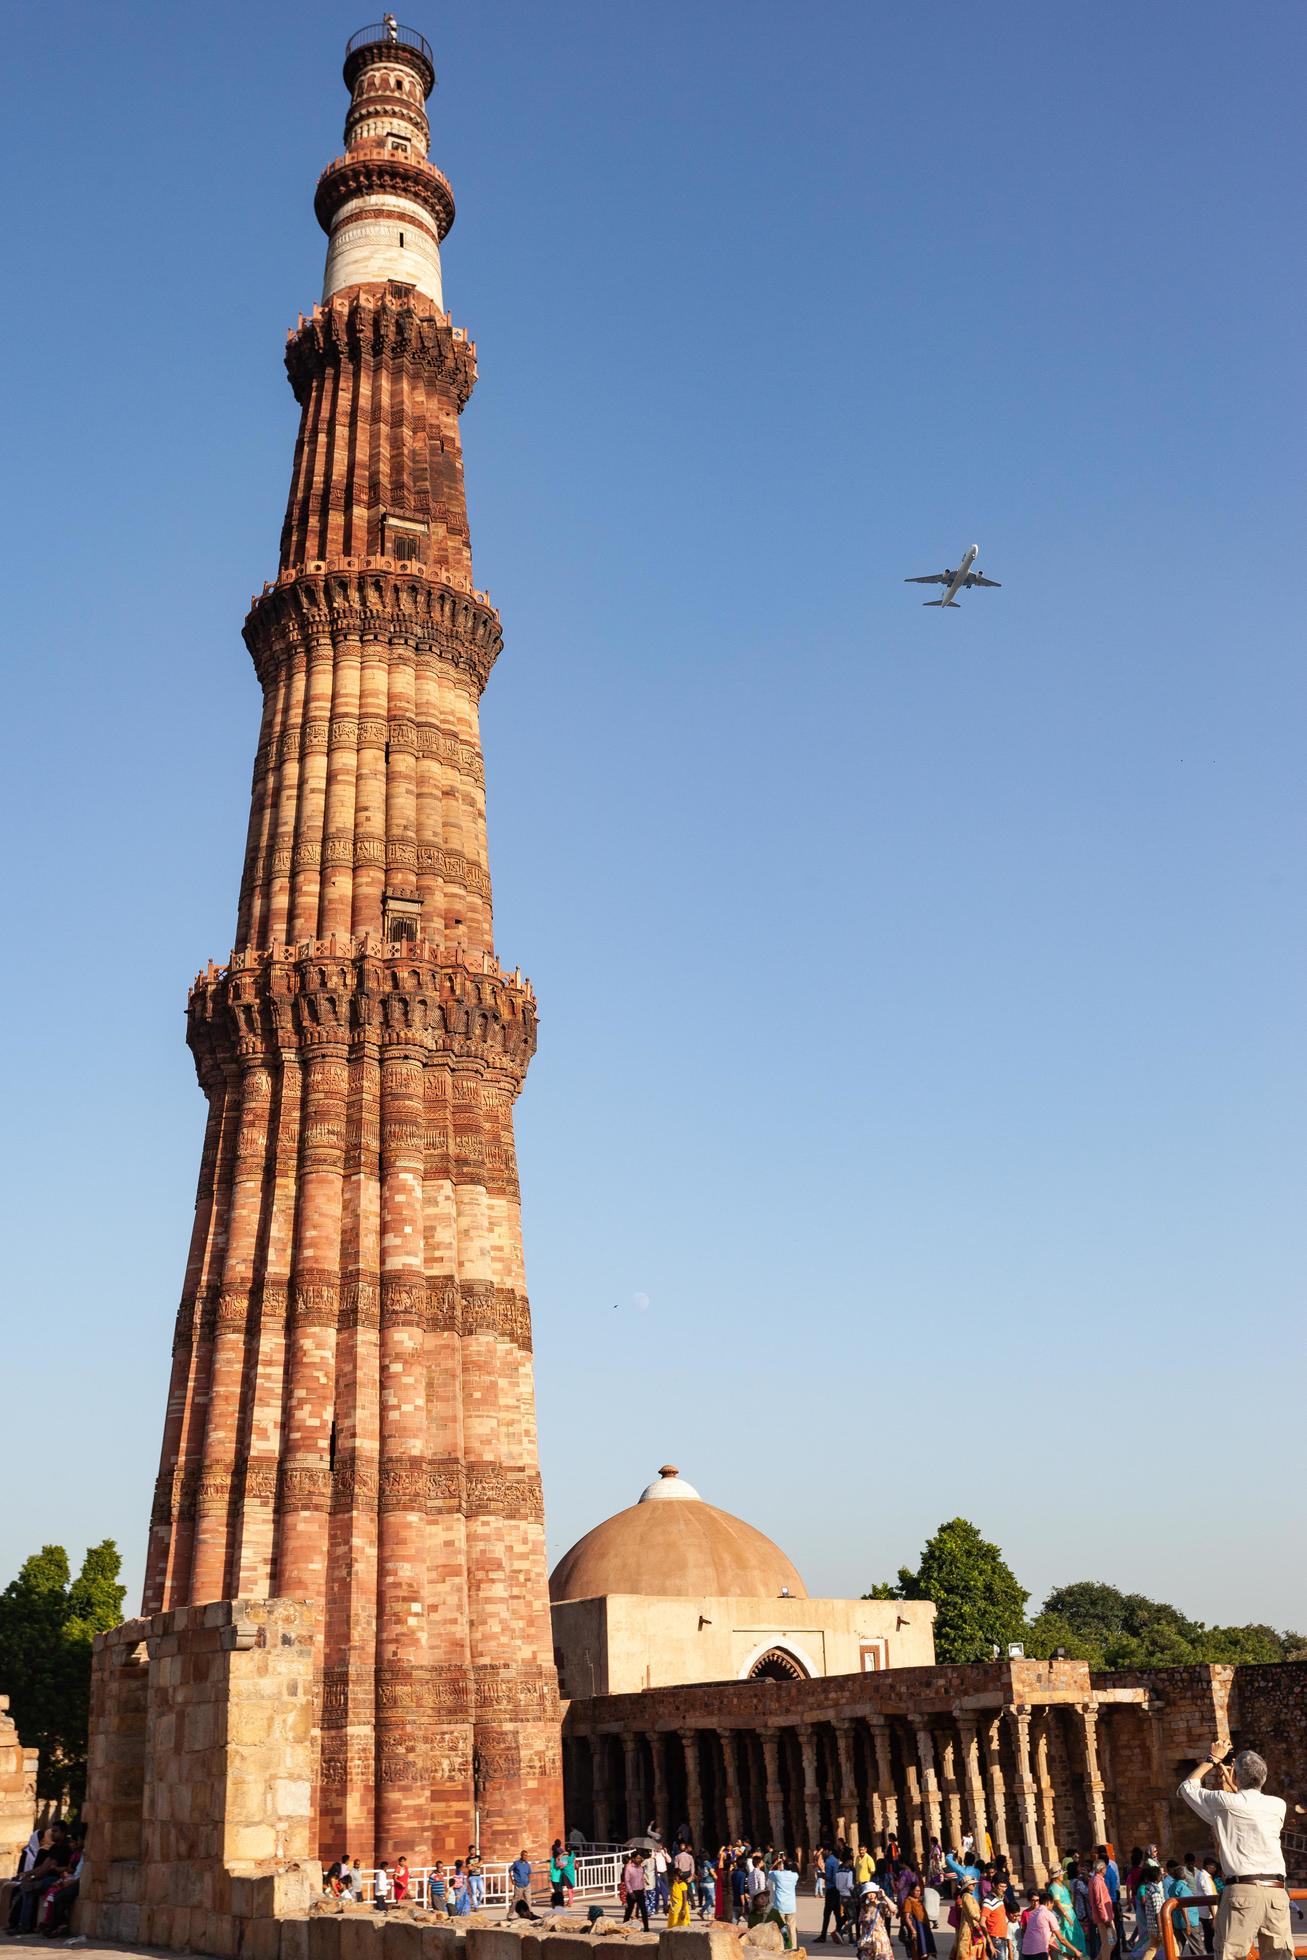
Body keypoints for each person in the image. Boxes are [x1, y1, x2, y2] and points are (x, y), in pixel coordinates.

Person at [1179, 1747, 1292, 1960]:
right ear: (1264, 1777)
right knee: (1280, 1956)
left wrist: (1212, 1759)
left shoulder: (1223, 1802)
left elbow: (1188, 1787)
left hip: (1242, 1890)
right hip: (1276, 1892)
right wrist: (1236, 1784)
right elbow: (1249, 1808)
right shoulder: (1279, 1805)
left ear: (1237, 1776)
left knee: (1230, 1955)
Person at [1020, 1889, 1078, 1960]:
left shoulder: (1033, 1915)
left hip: (1026, 1952)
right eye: (1052, 1903)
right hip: (1039, 1952)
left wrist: (1063, 1953)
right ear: (1048, 1902)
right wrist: (1076, 1951)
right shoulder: (1048, 1914)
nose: (1052, 1906)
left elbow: (1044, 1940)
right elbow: (1061, 1939)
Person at [902, 1879, 938, 1960]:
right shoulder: (908, 1901)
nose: (918, 1893)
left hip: (924, 1928)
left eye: (919, 1891)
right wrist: (913, 1930)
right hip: (916, 1928)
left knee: (926, 1950)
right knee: (917, 1950)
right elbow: (907, 1917)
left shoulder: (919, 1900)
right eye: (916, 1891)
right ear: (911, 1891)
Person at [1087, 1860, 1116, 1960]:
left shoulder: (1094, 1880)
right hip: (1104, 1918)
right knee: (1108, 1942)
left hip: (1104, 1916)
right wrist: (1105, 1919)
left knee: (1110, 1941)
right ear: (1101, 1869)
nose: (1106, 1869)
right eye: (1105, 1868)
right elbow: (1099, 1901)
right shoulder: (1097, 1881)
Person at [771, 1857, 800, 1951]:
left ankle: (783, 1946)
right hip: (791, 1906)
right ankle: (794, 1946)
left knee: (780, 1928)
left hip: (779, 1906)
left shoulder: (777, 1874)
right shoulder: (795, 1875)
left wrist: (776, 1863)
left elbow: (769, 1872)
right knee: (792, 1928)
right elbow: (796, 1871)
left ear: (784, 1865)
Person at [623, 1850, 650, 1930]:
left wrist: (644, 1890)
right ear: (633, 1859)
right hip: (632, 1892)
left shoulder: (641, 1867)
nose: (639, 1860)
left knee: (644, 1911)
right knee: (629, 1911)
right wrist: (631, 1892)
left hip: (641, 1891)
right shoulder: (628, 1867)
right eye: (637, 1858)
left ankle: (646, 1928)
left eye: (640, 1858)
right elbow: (626, 1880)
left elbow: (642, 1879)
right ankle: (624, 1927)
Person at [467, 1846, 484, 1911]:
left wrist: (473, 1865)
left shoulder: (478, 1857)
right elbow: (469, 1868)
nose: (473, 1851)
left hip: (478, 1876)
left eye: (474, 1850)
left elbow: (481, 1863)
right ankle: (476, 1907)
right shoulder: (468, 1859)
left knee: (482, 1891)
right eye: (472, 1850)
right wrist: (477, 1865)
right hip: (472, 1877)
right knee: (474, 1892)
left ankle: (478, 1902)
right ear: (469, 1851)